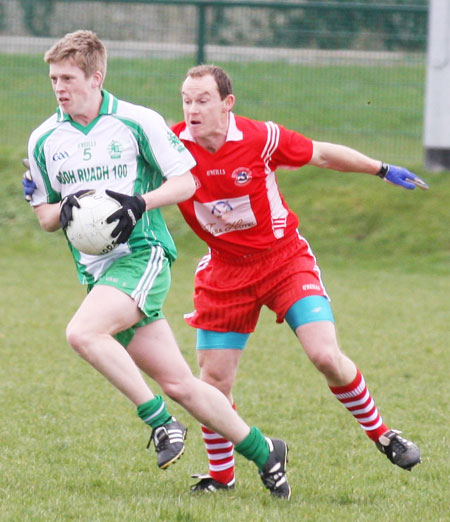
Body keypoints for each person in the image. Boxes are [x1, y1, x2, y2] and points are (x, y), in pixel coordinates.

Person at [23, 32, 292, 500]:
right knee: (180, 383)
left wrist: (137, 204)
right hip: (97, 273)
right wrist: (60, 213)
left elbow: (185, 182)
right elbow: (45, 216)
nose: (59, 88)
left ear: (96, 77)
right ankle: (266, 449)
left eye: (68, 78)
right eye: (53, 79)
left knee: (83, 334)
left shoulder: (135, 122)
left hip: (141, 255)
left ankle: (162, 424)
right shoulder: (44, 138)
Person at [168, 64, 425, 492]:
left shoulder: (261, 138)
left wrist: (380, 169)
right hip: (224, 271)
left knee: (325, 355)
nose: (192, 109)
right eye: (186, 100)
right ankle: (222, 476)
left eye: (203, 100)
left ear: (227, 104)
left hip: (283, 261)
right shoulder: (171, 148)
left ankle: (383, 434)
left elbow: (321, 153)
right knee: (212, 382)